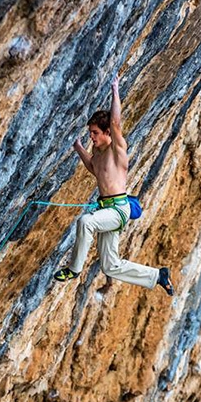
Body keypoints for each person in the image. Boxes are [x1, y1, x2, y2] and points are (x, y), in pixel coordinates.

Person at [54, 75, 174, 296]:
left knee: (85, 222)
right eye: (90, 133)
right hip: (106, 209)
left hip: (118, 209)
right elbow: (93, 168)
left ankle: (73, 269)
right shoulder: (98, 155)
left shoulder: (117, 149)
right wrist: (78, 146)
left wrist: (115, 90)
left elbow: (116, 122)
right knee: (110, 266)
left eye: (95, 133)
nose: (92, 137)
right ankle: (158, 276)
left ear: (107, 132)